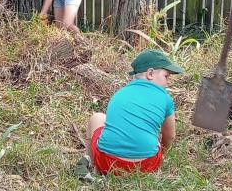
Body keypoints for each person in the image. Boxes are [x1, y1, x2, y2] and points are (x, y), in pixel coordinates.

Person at [75, 50, 183, 178]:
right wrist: (162, 152)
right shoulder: (165, 98)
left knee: (97, 117)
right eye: (166, 76)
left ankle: (92, 163)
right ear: (150, 73)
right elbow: (170, 136)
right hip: (146, 165)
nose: (167, 83)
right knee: (155, 138)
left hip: (107, 163)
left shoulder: (120, 93)